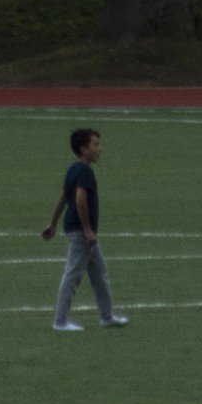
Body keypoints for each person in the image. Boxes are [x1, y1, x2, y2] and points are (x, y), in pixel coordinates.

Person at [39, 125, 124, 330]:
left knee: (99, 273)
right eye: (95, 144)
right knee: (73, 274)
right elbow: (79, 199)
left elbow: (62, 198)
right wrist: (87, 230)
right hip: (81, 232)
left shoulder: (73, 169)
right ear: (84, 149)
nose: (100, 148)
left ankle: (107, 316)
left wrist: (53, 223)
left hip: (78, 230)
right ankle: (60, 321)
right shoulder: (84, 171)